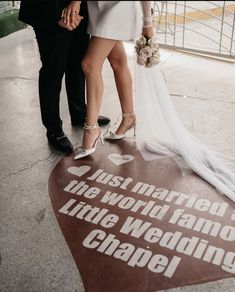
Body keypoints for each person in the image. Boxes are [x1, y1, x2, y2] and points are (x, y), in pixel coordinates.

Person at [62, 1, 235, 202]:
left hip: (119, 7)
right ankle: (128, 117)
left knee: (90, 64)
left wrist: (147, 22)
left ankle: (91, 128)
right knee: (117, 61)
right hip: (99, 6)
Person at [18, 0, 110, 153]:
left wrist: (76, 4)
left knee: (77, 64)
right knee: (54, 69)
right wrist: (56, 15)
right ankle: (53, 128)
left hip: (79, 9)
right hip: (47, 9)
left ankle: (79, 113)